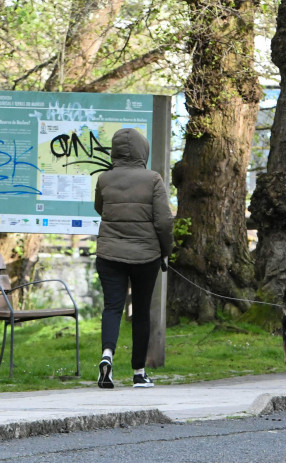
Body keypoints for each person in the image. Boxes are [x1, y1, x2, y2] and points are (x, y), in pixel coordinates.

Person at [94, 128, 173, 389]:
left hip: (109, 254)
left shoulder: (104, 179)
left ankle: (107, 355)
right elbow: (163, 221)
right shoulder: (153, 179)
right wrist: (165, 252)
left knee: (112, 307)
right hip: (145, 255)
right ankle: (139, 372)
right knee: (140, 312)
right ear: (143, 150)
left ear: (114, 151)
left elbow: (100, 208)